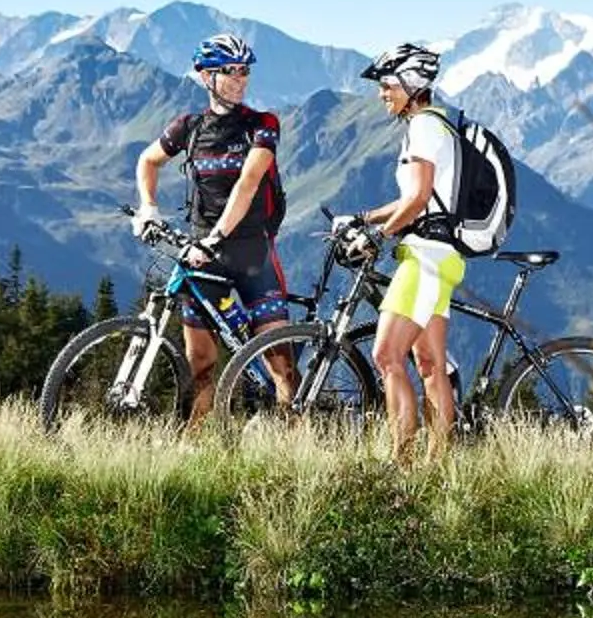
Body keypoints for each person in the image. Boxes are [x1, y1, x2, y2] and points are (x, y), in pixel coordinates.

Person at [134, 32, 296, 419]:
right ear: (205, 76)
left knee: (281, 367)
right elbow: (148, 161)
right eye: (230, 72)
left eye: (244, 71)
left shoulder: (262, 124)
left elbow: (249, 181)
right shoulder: (188, 127)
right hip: (202, 256)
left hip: (252, 251)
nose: (240, 79)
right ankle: (195, 445)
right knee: (201, 365)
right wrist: (148, 208)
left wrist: (216, 237)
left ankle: (297, 442)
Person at [335, 42, 463, 461]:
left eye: (388, 84)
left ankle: (401, 463)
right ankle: (436, 466)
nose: (381, 93)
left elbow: (419, 198)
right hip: (440, 256)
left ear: (412, 83)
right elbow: (415, 197)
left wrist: (379, 236)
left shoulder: (423, 128)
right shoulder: (435, 124)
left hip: (425, 256)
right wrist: (366, 217)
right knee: (429, 364)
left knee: (386, 355)